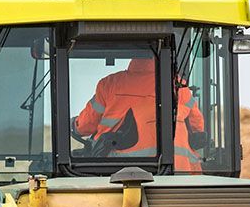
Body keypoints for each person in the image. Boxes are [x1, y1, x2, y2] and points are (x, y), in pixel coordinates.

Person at [74, 57, 206, 172]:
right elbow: (197, 127)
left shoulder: (110, 84)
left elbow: (86, 125)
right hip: (177, 170)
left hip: (119, 171)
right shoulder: (179, 86)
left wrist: (75, 125)